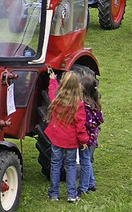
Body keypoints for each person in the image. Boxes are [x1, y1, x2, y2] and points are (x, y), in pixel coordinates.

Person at [45, 70, 89, 203]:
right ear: (77, 86)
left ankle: (53, 193)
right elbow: (80, 126)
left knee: (55, 164)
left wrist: (52, 80)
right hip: (70, 141)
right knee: (70, 165)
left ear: (62, 83)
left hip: (56, 138)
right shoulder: (78, 104)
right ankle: (71, 194)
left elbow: (51, 91)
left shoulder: (57, 99)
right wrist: (84, 141)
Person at [78, 74, 104, 196]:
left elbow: (86, 123)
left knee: (85, 161)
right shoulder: (95, 104)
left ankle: (83, 187)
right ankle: (91, 183)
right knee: (86, 159)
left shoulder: (85, 106)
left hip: (86, 138)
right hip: (92, 137)